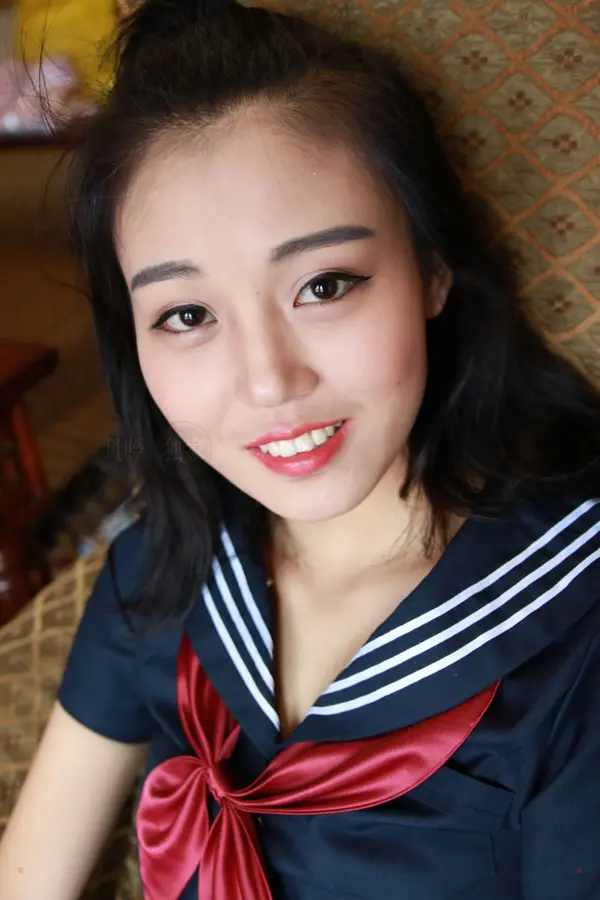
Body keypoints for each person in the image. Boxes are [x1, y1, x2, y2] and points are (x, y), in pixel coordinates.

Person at [1, 1, 599, 898]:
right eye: (187, 314)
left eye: (323, 286)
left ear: (433, 268)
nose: (268, 382)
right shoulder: (162, 569)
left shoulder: (572, 626)